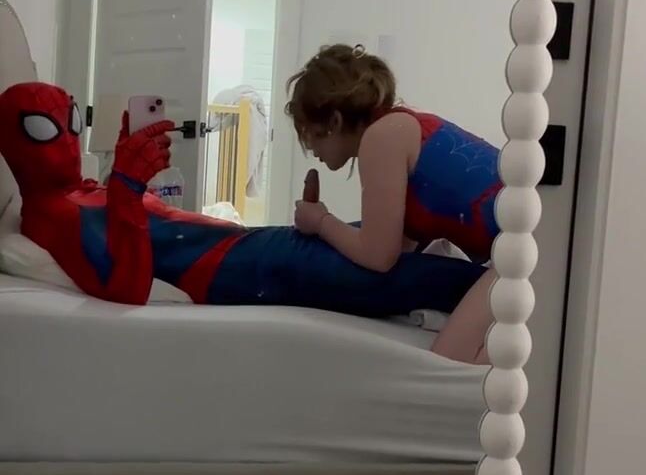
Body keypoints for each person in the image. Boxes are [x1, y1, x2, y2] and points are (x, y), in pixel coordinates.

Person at [0, 81, 487, 330]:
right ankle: (507, 292)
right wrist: (126, 186)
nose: (66, 139)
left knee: (377, 238)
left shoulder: (84, 190)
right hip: (233, 270)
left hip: (247, 250)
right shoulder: (49, 214)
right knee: (425, 278)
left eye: (71, 121)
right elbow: (125, 288)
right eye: (44, 129)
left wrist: (124, 182)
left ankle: (490, 277)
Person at [287, 44, 503, 363]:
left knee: (450, 360)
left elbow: (379, 256)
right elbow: (396, 246)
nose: (309, 148)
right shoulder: (400, 127)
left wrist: (320, 222)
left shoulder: (383, 137)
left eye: (310, 134)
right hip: (525, 244)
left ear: (334, 120)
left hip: (530, 247)